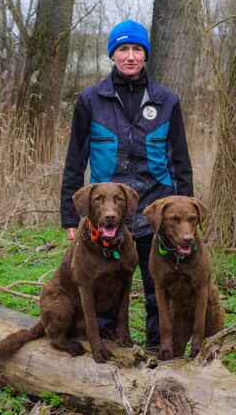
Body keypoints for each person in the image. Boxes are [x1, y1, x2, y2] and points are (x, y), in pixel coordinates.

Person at [60, 20, 193, 351]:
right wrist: (68, 215)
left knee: (157, 290)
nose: (130, 56)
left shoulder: (167, 101)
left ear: (145, 54)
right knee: (103, 291)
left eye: (136, 49)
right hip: (105, 216)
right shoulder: (90, 100)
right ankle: (108, 355)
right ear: (112, 54)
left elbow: (180, 162)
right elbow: (75, 160)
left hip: (155, 214)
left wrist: (186, 211)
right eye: (123, 49)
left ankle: (157, 351)